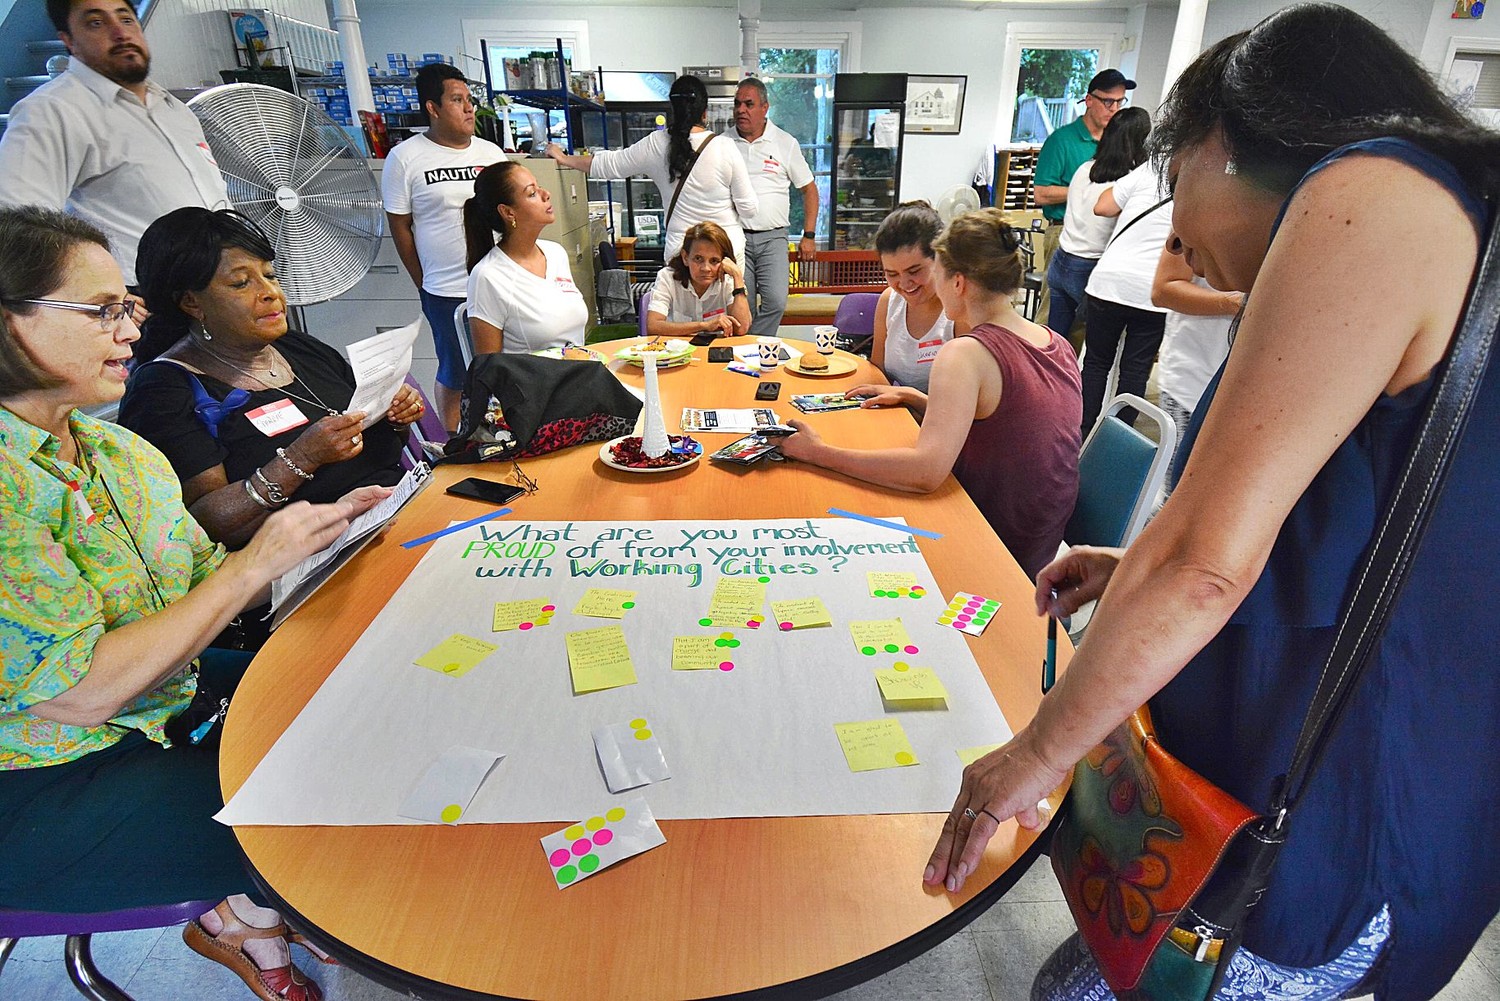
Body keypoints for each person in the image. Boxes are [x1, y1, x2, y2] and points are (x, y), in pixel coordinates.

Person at [923, 7, 1500, 1000]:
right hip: (1390, 799)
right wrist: (1133, 568)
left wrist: (1034, 751)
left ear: (1224, 144)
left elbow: (1205, 560)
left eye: (1173, 177)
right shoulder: (1456, 225)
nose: (1177, 238)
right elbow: (1379, 524)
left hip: (1324, 822)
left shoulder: (1374, 191)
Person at [0, 205, 390, 1001]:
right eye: (102, 310)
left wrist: (328, 537)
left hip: (165, 696)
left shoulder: (115, 449)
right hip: (48, 777)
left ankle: (267, 907)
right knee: (326, 793)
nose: (128, 330)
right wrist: (258, 564)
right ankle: (271, 910)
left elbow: (198, 571)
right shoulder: (12, 483)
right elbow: (81, 693)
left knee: (363, 697)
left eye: (129, 308)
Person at [779, 209, 1081, 581]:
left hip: (992, 551)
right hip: (1040, 544)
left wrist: (819, 453)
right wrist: (917, 397)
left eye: (932, 271)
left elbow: (925, 473)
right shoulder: (1058, 343)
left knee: (833, 527)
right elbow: (1000, 423)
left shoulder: (965, 353)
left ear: (957, 282)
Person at [0, 0, 230, 286]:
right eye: (96, 23)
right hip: (142, 304)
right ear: (68, 41)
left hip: (217, 289)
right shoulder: (51, 111)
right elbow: (18, 225)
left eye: (126, 19)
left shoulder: (174, 110)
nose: (120, 33)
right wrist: (98, 293)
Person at [382, 63, 505, 431]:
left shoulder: (491, 153)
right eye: (457, 100)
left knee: (501, 365)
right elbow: (400, 226)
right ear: (432, 108)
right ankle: (454, 439)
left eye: (469, 100)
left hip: (496, 281)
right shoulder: (405, 157)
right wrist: (423, 282)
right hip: (445, 288)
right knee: (455, 371)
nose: (469, 108)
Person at [545, 75, 758, 262]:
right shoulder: (725, 147)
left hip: (681, 255)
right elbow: (749, 209)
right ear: (705, 113)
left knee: (681, 309)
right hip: (723, 254)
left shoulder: (655, 144)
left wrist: (564, 158)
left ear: (673, 109)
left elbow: (609, 165)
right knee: (728, 309)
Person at [1077, 143, 1172, 435]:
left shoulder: (1150, 169)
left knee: (1095, 363)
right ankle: (1116, 440)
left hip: (1110, 282)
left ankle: (1078, 434)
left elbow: (1103, 205)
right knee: (1135, 371)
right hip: (1152, 292)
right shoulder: (1203, 188)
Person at [1032, 69, 1134, 338]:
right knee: (1053, 317)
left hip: (1100, 242)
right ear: (1089, 100)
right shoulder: (1062, 141)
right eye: (1108, 102)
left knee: (1083, 325)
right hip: (1064, 233)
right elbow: (1041, 194)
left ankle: (1068, 377)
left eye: (1120, 102)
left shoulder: (1116, 144)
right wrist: (1084, 191)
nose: (1114, 109)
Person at [1045, 107, 1150, 341]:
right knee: (1094, 347)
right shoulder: (1128, 182)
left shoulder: (1084, 169)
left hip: (1062, 260)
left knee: (1055, 341)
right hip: (1088, 267)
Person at [463, 161, 590, 355]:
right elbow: (489, 370)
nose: (546, 194)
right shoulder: (488, 276)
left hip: (578, 374)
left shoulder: (555, 253)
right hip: (532, 383)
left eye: (538, 187)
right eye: (532, 193)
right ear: (508, 212)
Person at [842, 201, 959, 400]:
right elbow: (878, 376)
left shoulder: (959, 313)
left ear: (941, 259)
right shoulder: (889, 301)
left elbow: (966, 409)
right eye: (892, 274)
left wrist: (907, 396)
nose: (904, 284)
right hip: (898, 417)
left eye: (914, 271)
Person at [731, 76, 819, 336]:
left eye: (748, 104)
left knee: (777, 301)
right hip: (736, 238)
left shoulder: (784, 142)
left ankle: (756, 347)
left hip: (773, 238)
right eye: (737, 104)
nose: (741, 110)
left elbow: (809, 190)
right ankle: (747, 357)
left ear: (765, 108)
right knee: (741, 305)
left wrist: (809, 235)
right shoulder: (722, 143)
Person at [1149, 237, 1242, 438]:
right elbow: (1164, 289)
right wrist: (1238, 303)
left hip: (1263, 392)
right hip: (1193, 384)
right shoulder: (1207, 211)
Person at [645, 221, 750, 339]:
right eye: (698, 259)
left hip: (717, 351)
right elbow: (653, 326)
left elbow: (742, 328)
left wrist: (737, 275)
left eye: (714, 261)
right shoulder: (667, 277)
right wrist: (704, 326)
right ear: (685, 257)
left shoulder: (728, 280)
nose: (705, 268)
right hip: (677, 352)